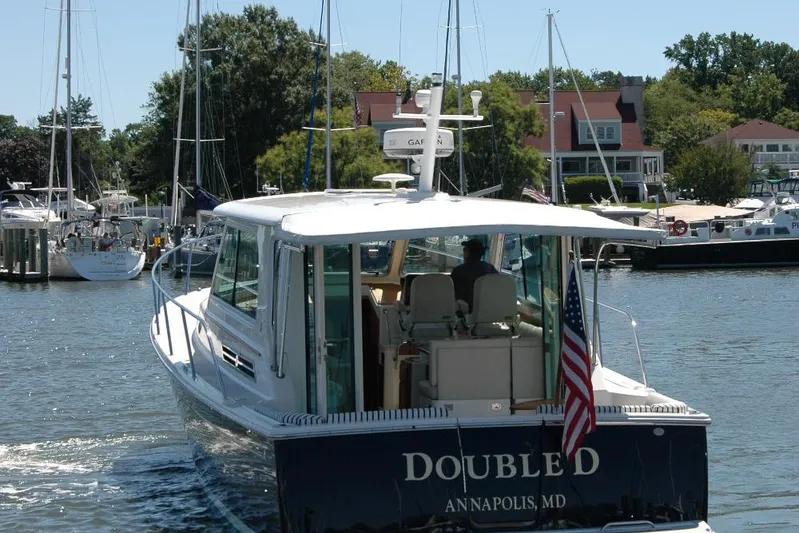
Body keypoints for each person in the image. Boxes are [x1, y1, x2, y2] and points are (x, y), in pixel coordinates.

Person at [450, 238, 497, 312]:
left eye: (464, 249)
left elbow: (450, 292)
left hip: (466, 311)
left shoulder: (458, 271)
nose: (463, 252)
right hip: (488, 309)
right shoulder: (491, 269)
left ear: (468, 252)